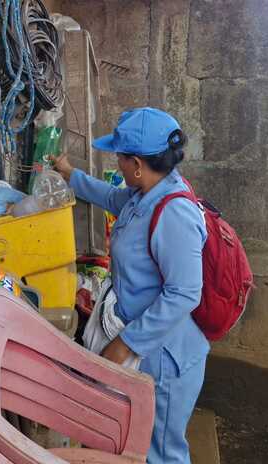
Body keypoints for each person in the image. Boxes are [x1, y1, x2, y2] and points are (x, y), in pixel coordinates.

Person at [52, 107, 208, 464]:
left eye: (119, 157)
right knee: (133, 444)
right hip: (147, 348)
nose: (117, 163)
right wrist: (70, 174)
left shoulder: (173, 212)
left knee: (160, 453)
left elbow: (185, 291)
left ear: (137, 164)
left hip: (166, 360)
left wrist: (124, 344)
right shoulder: (145, 194)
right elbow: (110, 198)